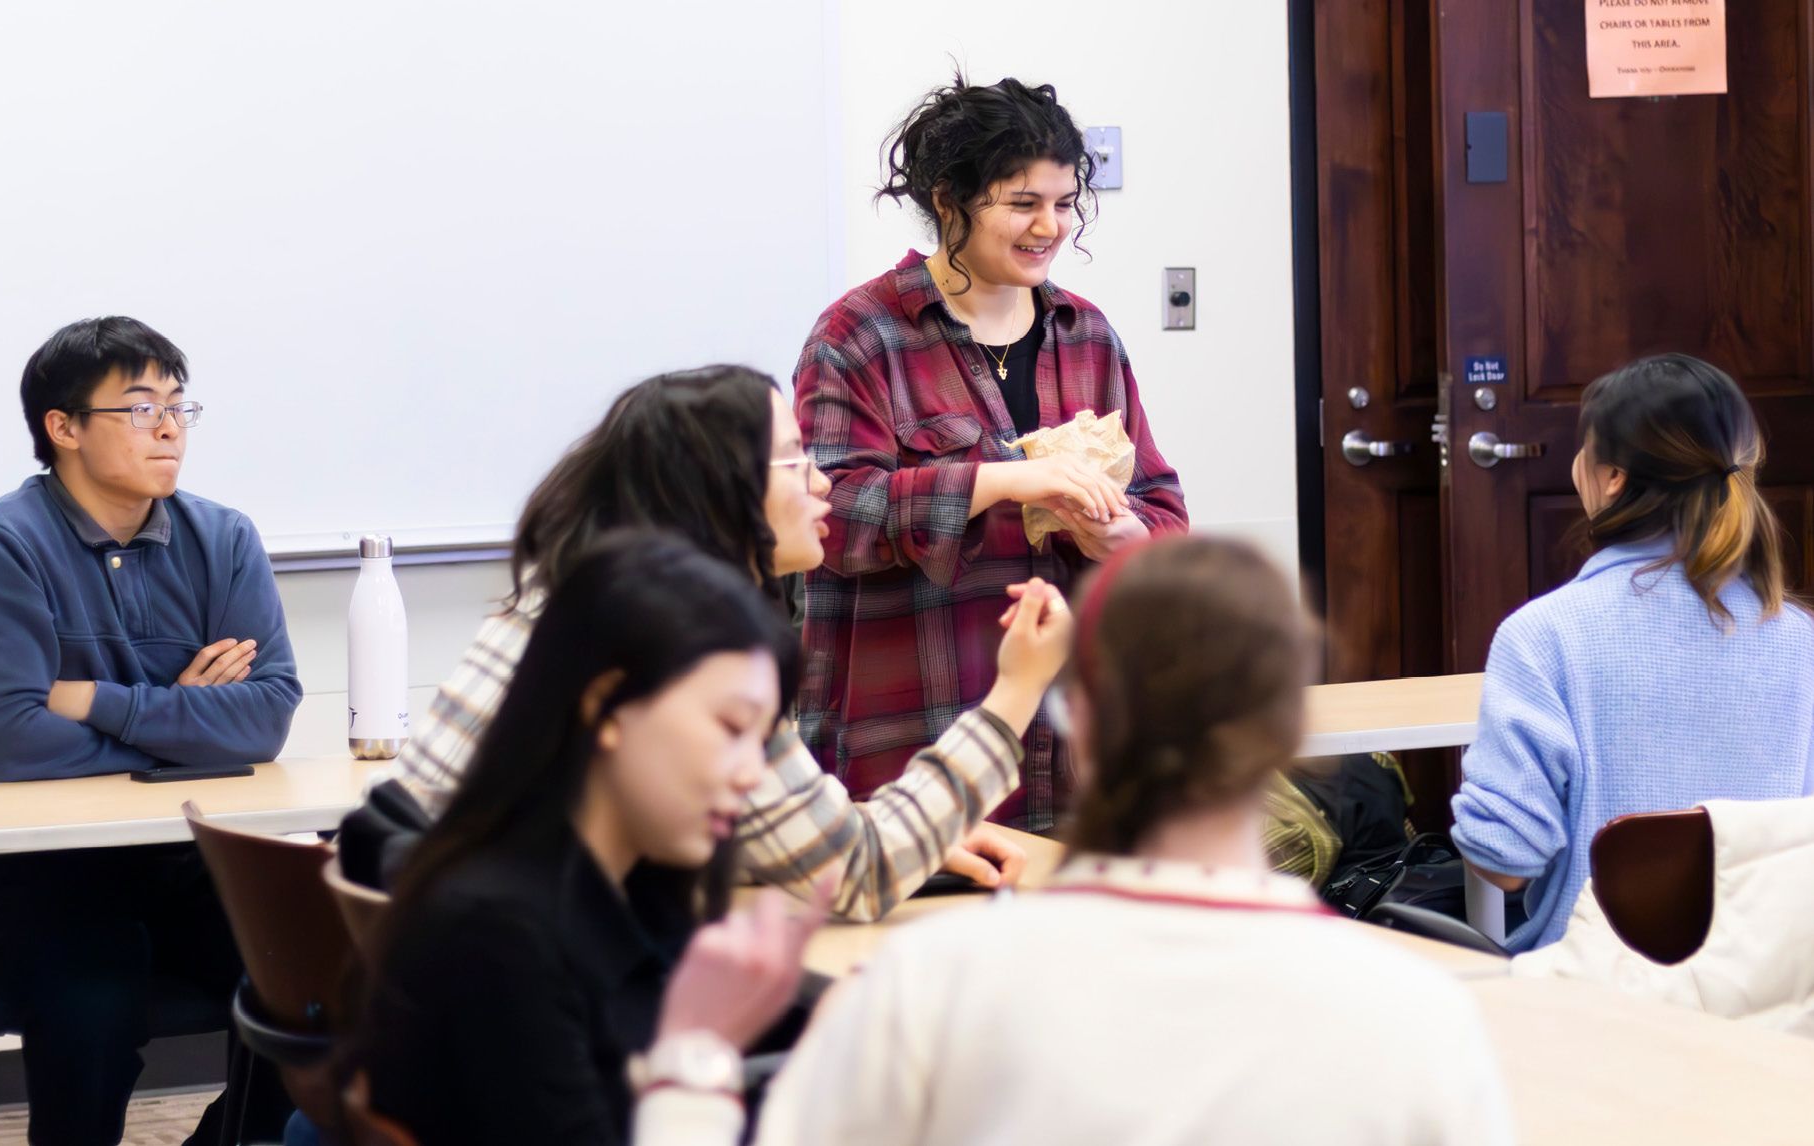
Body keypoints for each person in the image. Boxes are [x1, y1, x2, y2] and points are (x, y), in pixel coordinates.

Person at [639, 536, 1512, 1144]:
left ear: (1077, 723)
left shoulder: (926, 989)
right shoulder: (1415, 1017)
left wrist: (690, 1067)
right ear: (1289, 732)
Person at [378, 365, 1072, 920]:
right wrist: (1016, 690)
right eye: (796, 461)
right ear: (719, 489)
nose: (822, 482)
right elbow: (861, 877)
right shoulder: (688, 647)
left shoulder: (568, 599)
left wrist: (869, 828)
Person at [0, 317, 299, 1144]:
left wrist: (95, 700)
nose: (170, 427)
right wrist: (186, 717)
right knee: (91, 1012)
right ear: (62, 429)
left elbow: (265, 718)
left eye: (179, 405)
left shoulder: (225, 538)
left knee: (324, 981)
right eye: (139, 408)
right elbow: (11, 747)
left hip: (191, 863)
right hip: (40, 876)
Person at [357, 533, 844, 1142]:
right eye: (731, 727)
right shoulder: (498, 933)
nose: (752, 772)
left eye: (762, 739)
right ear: (606, 704)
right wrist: (699, 1052)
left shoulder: (633, 888)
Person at [795, 74, 1187, 830]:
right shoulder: (859, 336)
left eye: (1064, 203)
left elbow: (1165, 513)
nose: (1050, 227)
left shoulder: (1087, 333)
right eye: (1021, 203)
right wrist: (1008, 481)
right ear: (949, 202)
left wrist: (1124, 537)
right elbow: (833, 521)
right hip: (914, 738)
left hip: (1074, 744)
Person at [1452, 353, 1814, 952]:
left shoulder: (1545, 637)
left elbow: (1503, 861)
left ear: (1612, 476)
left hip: (1595, 1002)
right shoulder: (1798, 638)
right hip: (1766, 1000)